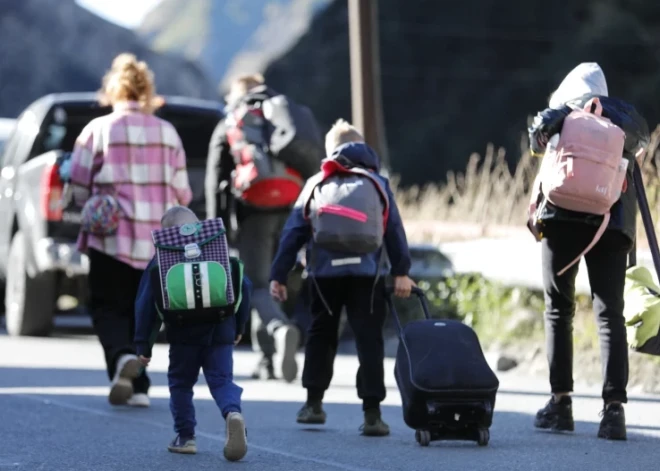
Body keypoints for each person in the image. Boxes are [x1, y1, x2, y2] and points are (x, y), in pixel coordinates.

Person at [269, 119, 415, 436]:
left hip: (323, 275)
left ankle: (313, 405)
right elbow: (394, 231)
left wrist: (279, 274)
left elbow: (293, 232)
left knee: (321, 335)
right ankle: (373, 414)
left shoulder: (316, 183)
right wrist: (402, 271)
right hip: (368, 274)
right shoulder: (378, 182)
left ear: (330, 151)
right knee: (369, 339)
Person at [528, 62, 650, 440]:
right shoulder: (623, 121)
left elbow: (535, 139)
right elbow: (643, 143)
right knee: (609, 313)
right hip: (610, 224)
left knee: (558, 308)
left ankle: (560, 404)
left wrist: (561, 114)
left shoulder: (560, 116)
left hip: (561, 218)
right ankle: (614, 412)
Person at [69, 53, 192, 408]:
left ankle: (123, 359)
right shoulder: (167, 133)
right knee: (145, 312)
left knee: (108, 307)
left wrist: (90, 198)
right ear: (146, 90)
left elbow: (78, 182)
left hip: (111, 235)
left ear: (113, 89)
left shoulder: (98, 129)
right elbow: (182, 191)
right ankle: (139, 387)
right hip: (156, 241)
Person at [206, 73, 322, 382]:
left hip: (253, 212)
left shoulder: (232, 121)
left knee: (256, 285)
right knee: (276, 283)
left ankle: (279, 330)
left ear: (237, 93)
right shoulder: (283, 116)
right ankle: (267, 360)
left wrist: (217, 228)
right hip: (292, 211)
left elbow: (214, 179)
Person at [134, 206, 250, 461]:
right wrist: (239, 327)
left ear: (166, 235)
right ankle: (232, 413)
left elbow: (146, 304)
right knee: (222, 380)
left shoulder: (162, 260)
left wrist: (144, 345)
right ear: (197, 225)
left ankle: (185, 437)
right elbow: (243, 286)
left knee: (181, 384)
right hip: (221, 330)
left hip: (182, 333)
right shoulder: (218, 251)